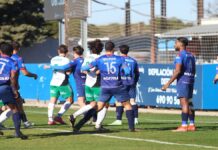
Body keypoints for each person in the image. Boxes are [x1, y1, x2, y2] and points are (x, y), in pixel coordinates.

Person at [70, 41, 135, 132]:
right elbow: (127, 71)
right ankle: (131, 128)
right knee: (128, 105)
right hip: (117, 86)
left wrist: (93, 69)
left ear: (105, 49)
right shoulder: (120, 59)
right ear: (113, 49)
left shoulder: (100, 59)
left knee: (98, 107)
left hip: (105, 87)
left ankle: (78, 125)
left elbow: (84, 68)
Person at [69, 39, 108, 131]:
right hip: (97, 84)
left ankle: (74, 115)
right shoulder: (100, 58)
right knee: (104, 104)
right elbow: (100, 70)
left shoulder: (87, 57)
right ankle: (98, 125)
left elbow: (83, 70)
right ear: (101, 49)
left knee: (93, 104)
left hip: (88, 84)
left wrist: (90, 73)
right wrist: (96, 72)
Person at [161, 37, 196, 132]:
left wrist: (167, 84)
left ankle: (184, 126)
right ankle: (192, 124)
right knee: (189, 103)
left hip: (183, 81)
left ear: (180, 44)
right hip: (190, 80)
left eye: (175, 43)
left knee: (184, 103)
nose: (174, 45)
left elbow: (177, 71)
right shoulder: (191, 55)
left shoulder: (180, 55)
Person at [0, 43, 27, 139]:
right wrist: (15, 91)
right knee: (15, 109)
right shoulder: (12, 62)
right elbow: (12, 78)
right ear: (11, 52)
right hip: (3, 87)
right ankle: (18, 132)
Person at [109, 45, 140, 126]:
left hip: (122, 83)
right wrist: (135, 81)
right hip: (131, 82)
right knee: (132, 101)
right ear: (127, 51)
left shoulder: (118, 59)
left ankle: (119, 120)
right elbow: (137, 73)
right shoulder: (133, 61)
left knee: (119, 101)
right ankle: (136, 119)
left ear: (120, 51)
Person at [47, 45, 73, 125]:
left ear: (58, 51)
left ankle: (50, 119)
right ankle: (58, 116)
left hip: (53, 82)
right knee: (70, 100)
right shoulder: (66, 60)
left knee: (52, 100)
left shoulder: (53, 59)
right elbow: (68, 72)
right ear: (67, 52)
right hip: (62, 82)